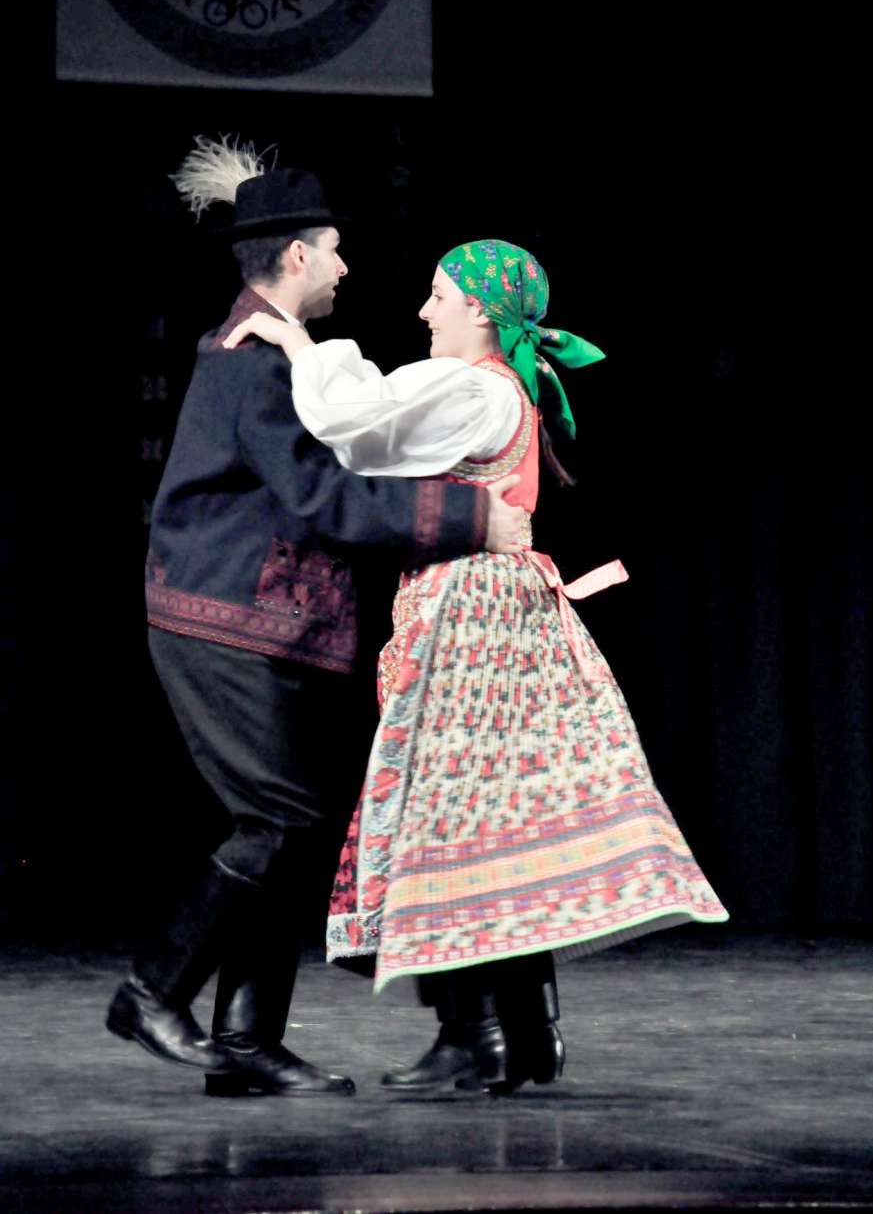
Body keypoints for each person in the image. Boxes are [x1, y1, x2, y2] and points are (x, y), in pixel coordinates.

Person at [224, 238, 730, 1094]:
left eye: (437, 295)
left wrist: (300, 344)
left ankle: (480, 1035)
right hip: (500, 612)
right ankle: (524, 1033)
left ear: (480, 311)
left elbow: (357, 424)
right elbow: (378, 436)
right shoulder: (494, 391)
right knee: (495, 817)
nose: (424, 311)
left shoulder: (473, 390)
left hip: (472, 612)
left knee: (451, 814)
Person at [105, 142, 527, 1100]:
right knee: (279, 817)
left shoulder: (271, 350)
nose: (345, 265)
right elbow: (320, 497)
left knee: (290, 824)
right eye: (334, 249)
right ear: (297, 254)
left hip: (258, 620)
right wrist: (471, 518)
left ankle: (246, 1044)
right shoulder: (253, 359)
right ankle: (151, 990)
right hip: (221, 619)